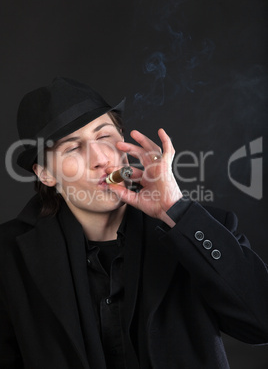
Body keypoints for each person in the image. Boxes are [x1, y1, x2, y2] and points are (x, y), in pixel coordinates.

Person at [0, 77, 267, 369]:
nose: (101, 159)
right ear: (46, 175)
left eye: (104, 137)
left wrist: (177, 212)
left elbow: (260, 324)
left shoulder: (198, 228)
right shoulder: (9, 256)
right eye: (72, 148)